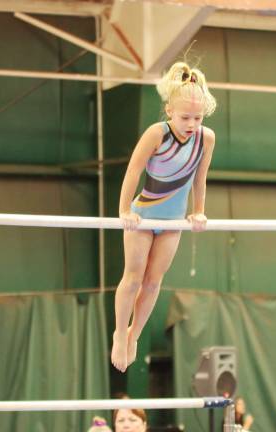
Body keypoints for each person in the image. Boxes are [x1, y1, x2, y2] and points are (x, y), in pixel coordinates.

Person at [111, 61, 217, 372]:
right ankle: (120, 333)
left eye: (198, 118)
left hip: (172, 222)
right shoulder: (156, 133)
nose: (192, 124)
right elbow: (133, 170)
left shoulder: (206, 139)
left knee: (154, 283)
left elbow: (200, 179)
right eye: (185, 117)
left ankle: (134, 334)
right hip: (143, 216)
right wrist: (124, 210)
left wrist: (198, 212)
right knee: (133, 279)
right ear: (169, 110)